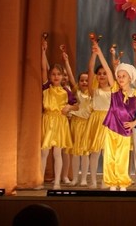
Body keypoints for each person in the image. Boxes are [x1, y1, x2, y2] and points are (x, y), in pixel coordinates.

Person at [93, 42, 136, 191]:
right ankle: (112, 184)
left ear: (130, 78)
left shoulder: (135, 94)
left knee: (122, 157)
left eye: (124, 76)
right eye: (119, 76)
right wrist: (99, 53)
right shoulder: (115, 89)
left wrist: (134, 123)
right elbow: (108, 71)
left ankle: (122, 183)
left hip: (125, 129)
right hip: (111, 127)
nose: (121, 78)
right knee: (110, 156)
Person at [40, 39, 78, 189]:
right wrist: (43, 51)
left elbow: (77, 105)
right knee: (44, 153)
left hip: (60, 122)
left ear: (63, 76)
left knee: (57, 153)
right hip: (47, 120)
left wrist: (70, 107)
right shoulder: (46, 88)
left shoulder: (66, 91)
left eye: (58, 74)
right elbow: (43, 68)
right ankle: (40, 181)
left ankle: (57, 181)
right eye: (53, 74)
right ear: (50, 76)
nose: (56, 77)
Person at [62, 50, 92, 186]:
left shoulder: (92, 94)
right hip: (75, 124)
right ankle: (75, 178)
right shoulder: (76, 92)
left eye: (87, 80)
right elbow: (70, 76)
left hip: (86, 125)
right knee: (75, 153)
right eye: (82, 80)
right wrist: (66, 61)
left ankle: (84, 178)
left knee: (85, 153)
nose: (84, 82)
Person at [85, 48, 112, 188]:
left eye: (104, 73)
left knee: (107, 153)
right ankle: (94, 180)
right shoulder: (94, 91)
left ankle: (106, 180)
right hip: (96, 122)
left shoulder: (113, 89)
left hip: (109, 121)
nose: (102, 76)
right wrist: (94, 54)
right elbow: (90, 70)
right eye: (99, 74)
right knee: (95, 152)